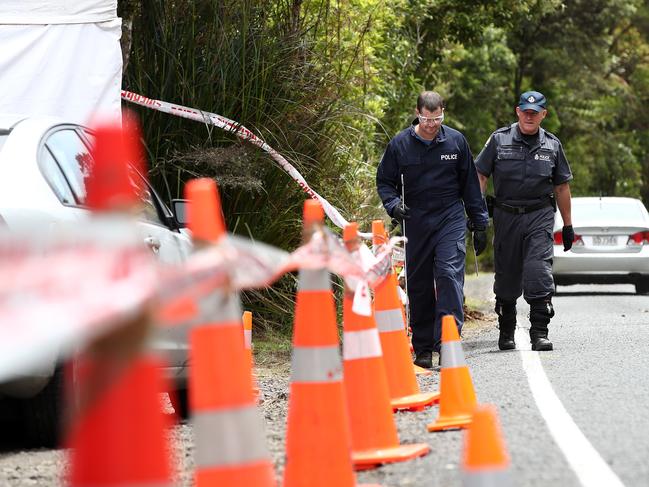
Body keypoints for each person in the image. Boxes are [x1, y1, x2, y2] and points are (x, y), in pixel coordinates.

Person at [376, 91, 488, 369]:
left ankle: (448, 341)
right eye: (426, 119)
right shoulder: (400, 144)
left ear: (443, 113)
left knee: (449, 274)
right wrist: (393, 205)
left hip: (449, 215)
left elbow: (470, 186)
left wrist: (480, 222)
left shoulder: (456, 141)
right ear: (418, 113)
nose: (431, 124)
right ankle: (424, 347)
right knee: (420, 283)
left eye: (437, 118)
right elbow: (385, 182)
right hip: (415, 218)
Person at [474, 90, 573, 351]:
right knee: (506, 277)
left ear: (543, 114)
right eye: (525, 112)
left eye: (535, 113)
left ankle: (539, 332)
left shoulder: (552, 145)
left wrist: (568, 224)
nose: (529, 117)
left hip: (539, 215)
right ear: (518, 111)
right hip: (506, 216)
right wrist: (477, 220)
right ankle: (506, 330)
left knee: (538, 271)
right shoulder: (498, 140)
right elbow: (480, 176)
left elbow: (561, 187)